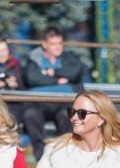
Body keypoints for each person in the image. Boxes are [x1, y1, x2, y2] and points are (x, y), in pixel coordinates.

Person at [22, 26, 86, 159]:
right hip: (39, 103)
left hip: (63, 102)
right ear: (45, 44)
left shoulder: (69, 58)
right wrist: (59, 79)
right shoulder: (34, 60)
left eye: (60, 43)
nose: (58, 47)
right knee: (30, 115)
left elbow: (75, 72)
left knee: (67, 116)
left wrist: (51, 73)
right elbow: (32, 78)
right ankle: (40, 155)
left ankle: (64, 154)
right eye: (53, 44)